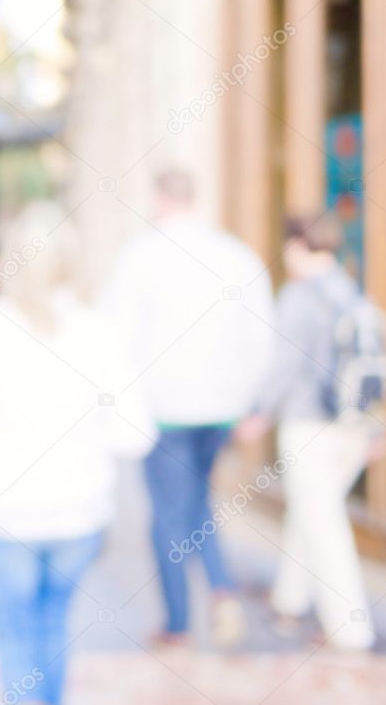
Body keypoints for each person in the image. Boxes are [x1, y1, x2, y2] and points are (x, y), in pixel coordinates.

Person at [0, 204, 154, 705]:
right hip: (79, 515)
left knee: (15, 635)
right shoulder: (97, 332)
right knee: (54, 627)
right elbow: (134, 435)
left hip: (4, 516)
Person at [102, 170, 274, 648]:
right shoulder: (236, 256)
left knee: (167, 513)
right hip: (221, 410)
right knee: (198, 502)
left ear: (160, 198)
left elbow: (115, 335)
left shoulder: (140, 257)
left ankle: (178, 621)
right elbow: (261, 338)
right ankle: (222, 592)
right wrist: (247, 402)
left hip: (163, 408)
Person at [236, 213, 386, 651]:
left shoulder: (299, 297)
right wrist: (376, 428)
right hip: (353, 430)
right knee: (313, 512)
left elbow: (283, 365)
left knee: (324, 525)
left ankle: (349, 629)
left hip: (310, 428)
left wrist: (258, 412)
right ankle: (290, 600)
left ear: (298, 245)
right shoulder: (353, 291)